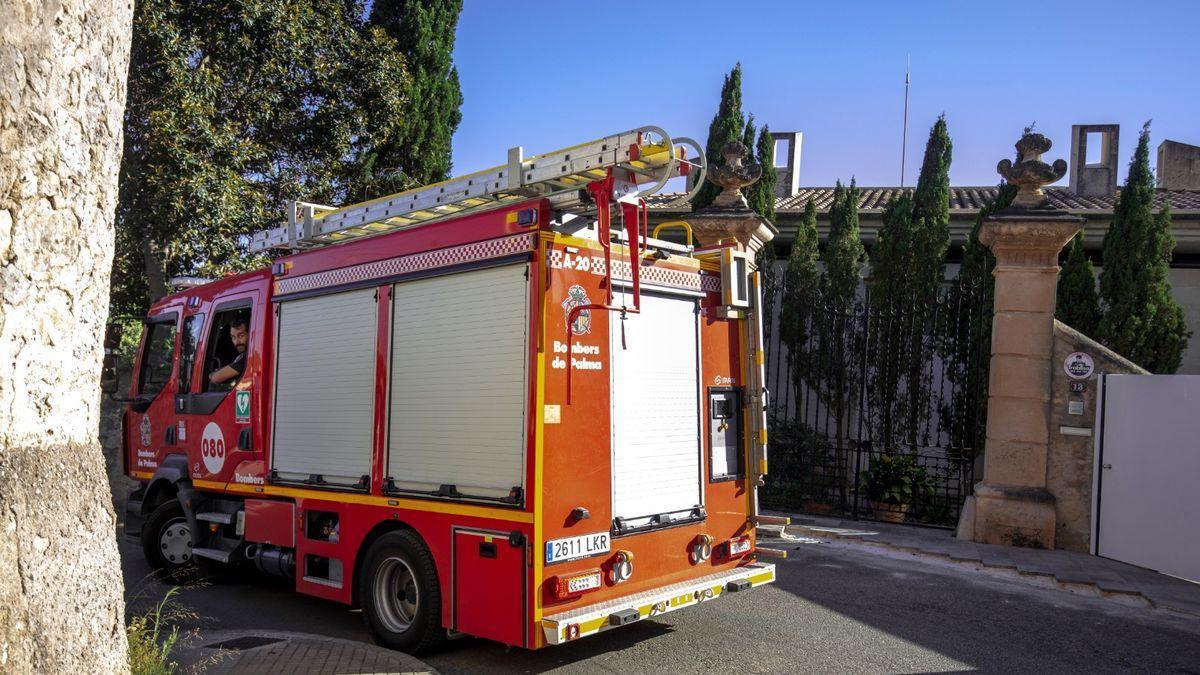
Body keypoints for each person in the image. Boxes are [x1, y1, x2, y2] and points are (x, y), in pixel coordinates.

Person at [210, 316, 249, 386]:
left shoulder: (246, 356)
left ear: (250, 334)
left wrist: (211, 375)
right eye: (233, 337)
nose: (237, 342)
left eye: (241, 336)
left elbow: (215, 378)